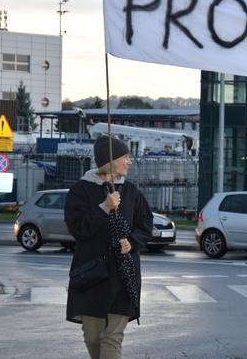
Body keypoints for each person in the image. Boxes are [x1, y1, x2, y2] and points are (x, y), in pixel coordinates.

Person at [65, 135, 153, 359]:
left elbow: (146, 225)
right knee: (93, 337)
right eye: (126, 157)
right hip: (91, 276)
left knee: (113, 336)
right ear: (111, 160)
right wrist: (103, 207)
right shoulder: (80, 191)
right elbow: (78, 229)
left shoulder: (132, 192)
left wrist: (132, 242)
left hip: (123, 276)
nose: (130, 161)